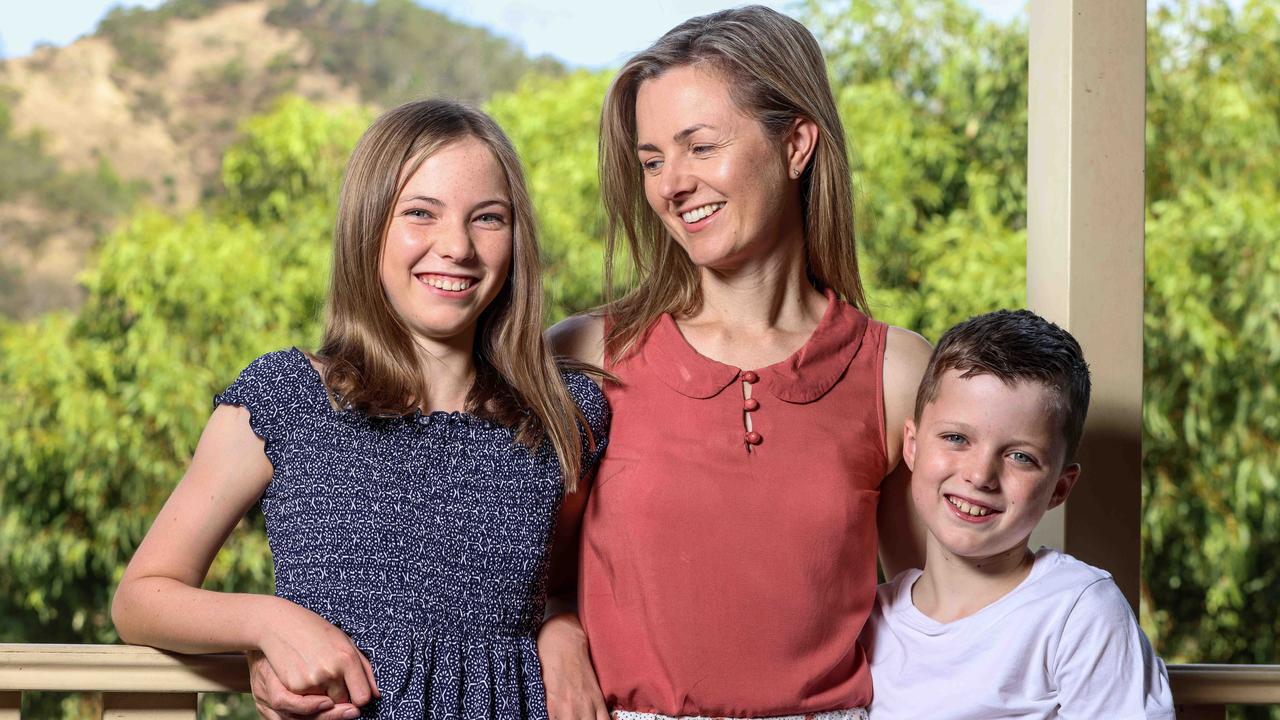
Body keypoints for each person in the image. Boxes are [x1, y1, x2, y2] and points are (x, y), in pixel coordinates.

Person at [111, 99, 609, 720]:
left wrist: (563, 629)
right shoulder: (287, 399)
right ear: (367, 227)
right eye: (420, 214)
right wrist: (266, 623)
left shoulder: (566, 414)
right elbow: (141, 597)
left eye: (488, 218)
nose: (456, 246)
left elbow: (569, 583)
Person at [536, 6, 931, 719]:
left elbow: (938, 611)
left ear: (797, 145)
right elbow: (499, 571)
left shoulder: (895, 374)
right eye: (652, 160)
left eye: (700, 147)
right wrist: (556, 627)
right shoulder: (585, 356)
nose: (670, 185)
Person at [861, 309, 1174, 719]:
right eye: (956, 438)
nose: (980, 475)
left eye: (1020, 457)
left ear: (1059, 488)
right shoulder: (870, 621)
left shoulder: (1077, 611)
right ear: (913, 446)